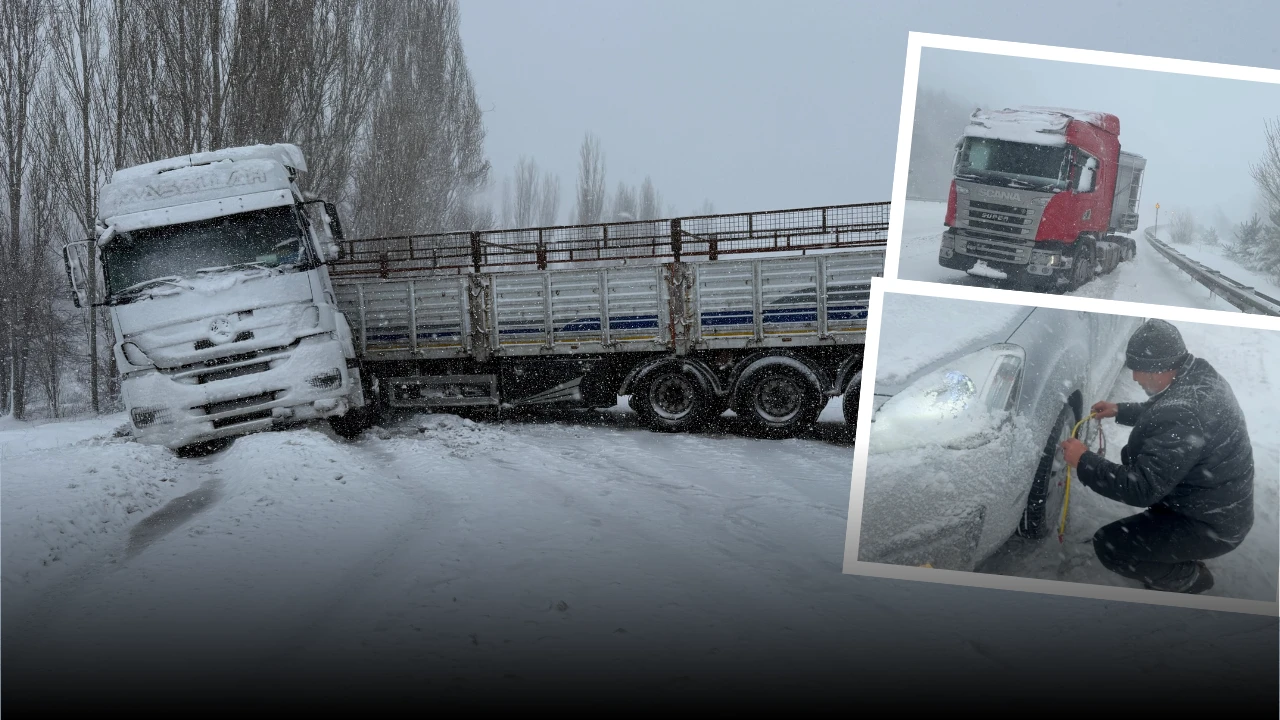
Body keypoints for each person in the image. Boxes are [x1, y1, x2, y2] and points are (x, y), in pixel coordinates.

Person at [1059, 319, 1254, 594]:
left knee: (1110, 545)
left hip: (1211, 525)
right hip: (1216, 509)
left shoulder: (1185, 414)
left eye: (1139, 369)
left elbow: (1141, 488)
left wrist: (1083, 461)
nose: (1135, 377)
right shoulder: (1197, 378)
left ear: (1161, 367)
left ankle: (1188, 578)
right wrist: (1121, 410)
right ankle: (1175, 551)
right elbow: (1168, 412)